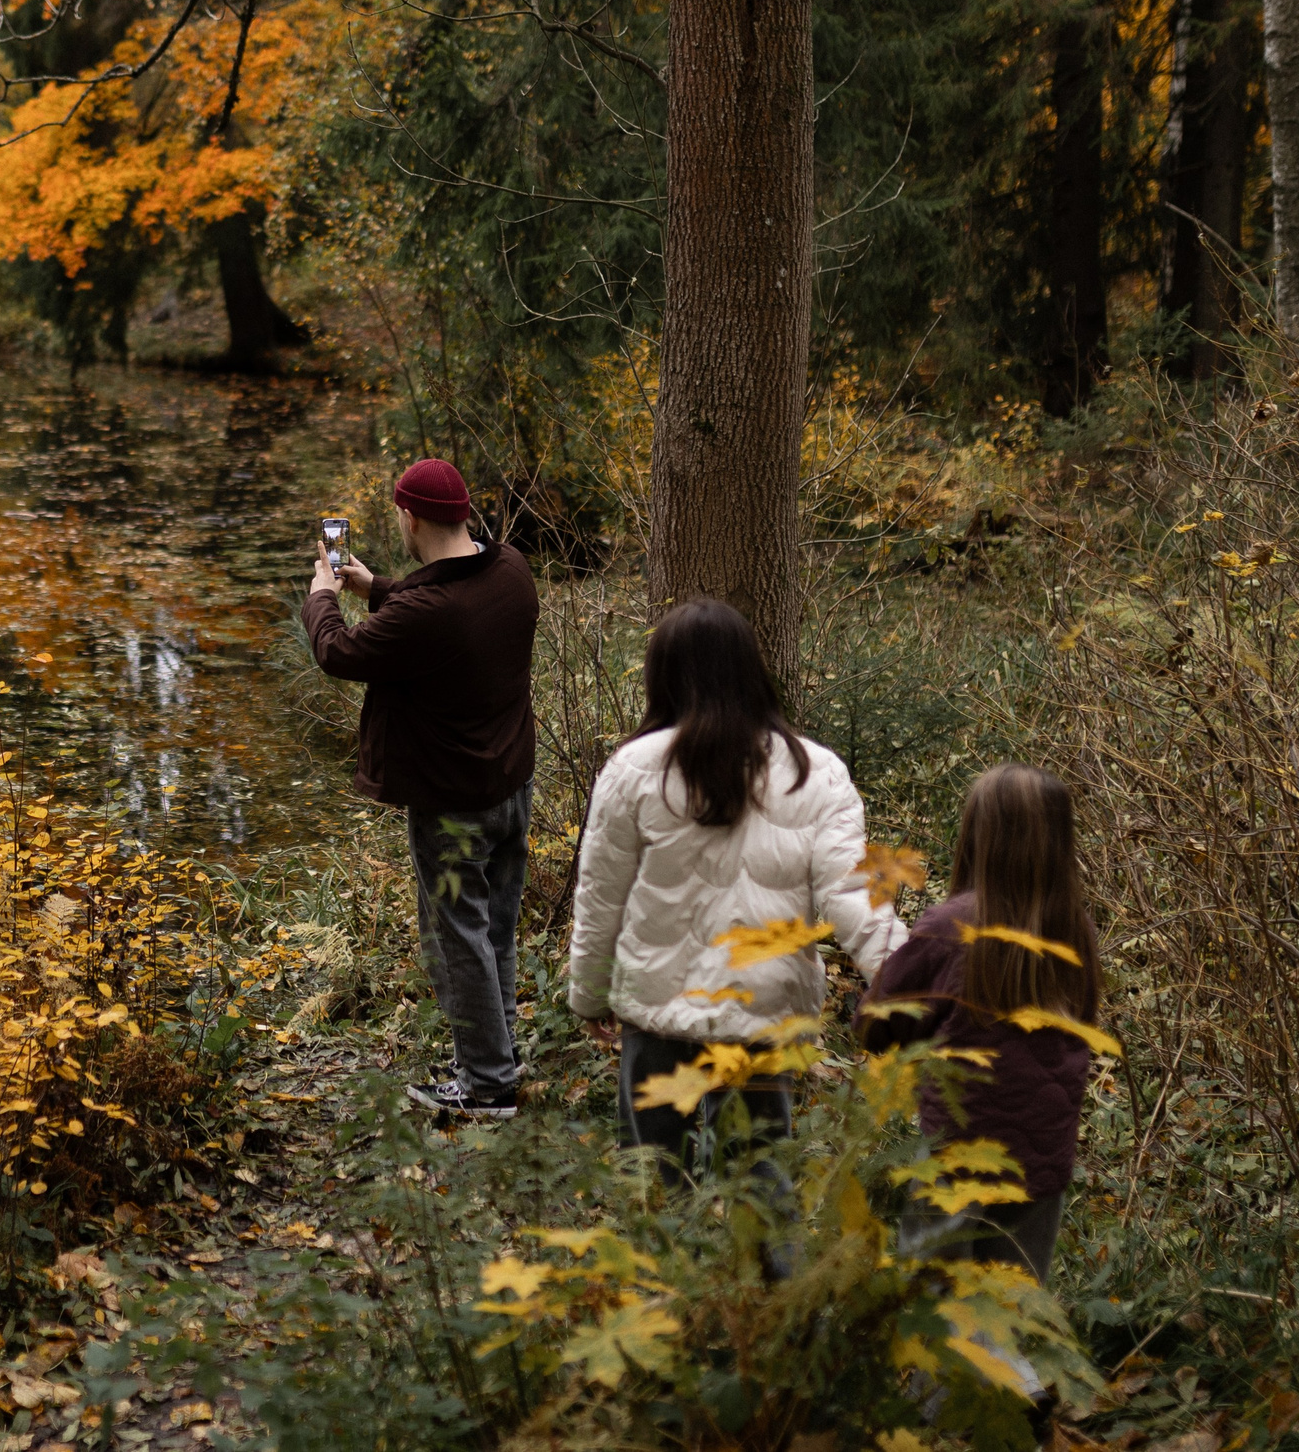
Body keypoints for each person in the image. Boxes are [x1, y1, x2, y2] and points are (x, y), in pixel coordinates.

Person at [568, 598, 904, 1183]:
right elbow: (855, 894)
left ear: (661, 674)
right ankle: (769, 1275)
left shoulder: (632, 768)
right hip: (764, 1007)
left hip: (658, 1004)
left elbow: (602, 899)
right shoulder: (815, 770)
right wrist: (907, 977)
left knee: (654, 1179)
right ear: (753, 669)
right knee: (761, 1178)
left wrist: (589, 996)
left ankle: (662, 1275)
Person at [305, 458, 539, 1119]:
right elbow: (441, 609)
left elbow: (337, 652)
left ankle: (489, 1087)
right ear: (462, 513)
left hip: (453, 800)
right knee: (495, 928)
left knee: (457, 934)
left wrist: (324, 591)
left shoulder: (429, 613)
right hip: (510, 783)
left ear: (409, 516)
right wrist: (376, 584)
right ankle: (499, 1055)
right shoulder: (510, 570)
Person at [859, 763, 1103, 1282]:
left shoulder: (951, 925)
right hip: (1043, 1155)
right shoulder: (1076, 929)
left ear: (977, 836)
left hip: (957, 1150)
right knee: (1011, 1310)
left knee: (931, 1313)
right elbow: (1085, 1021)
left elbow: (876, 1023)